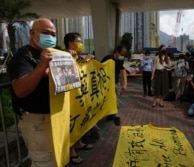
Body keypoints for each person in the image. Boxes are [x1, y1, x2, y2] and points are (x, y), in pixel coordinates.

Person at [8, 18, 57, 166]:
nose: (50, 37)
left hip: (53, 117)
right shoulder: (23, 57)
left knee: (54, 160)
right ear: (32, 33)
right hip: (37, 120)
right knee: (45, 162)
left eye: (53, 34)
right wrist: (42, 66)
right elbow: (20, 90)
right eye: (45, 33)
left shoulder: (53, 53)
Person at [64, 32, 94, 164]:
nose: (81, 44)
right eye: (78, 41)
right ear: (70, 43)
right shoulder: (64, 56)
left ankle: (79, 143)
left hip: (79, 95)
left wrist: (86, 61)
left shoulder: (76, 56)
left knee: (79, 119)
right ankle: (71, 151)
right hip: (68, 97)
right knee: (71, 122)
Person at [101, 45, 128, 125]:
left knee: (116, 100)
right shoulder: (107, 58)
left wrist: (125, 84)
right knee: (107, 100)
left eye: (124, 55)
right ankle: (110, 114)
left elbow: (123, 71)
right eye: (122, 54)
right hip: (106, 83)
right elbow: (100, 68)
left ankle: (116, 116)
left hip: (116, 83)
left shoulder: (120, 60)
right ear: (116, 52)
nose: (123, 56)